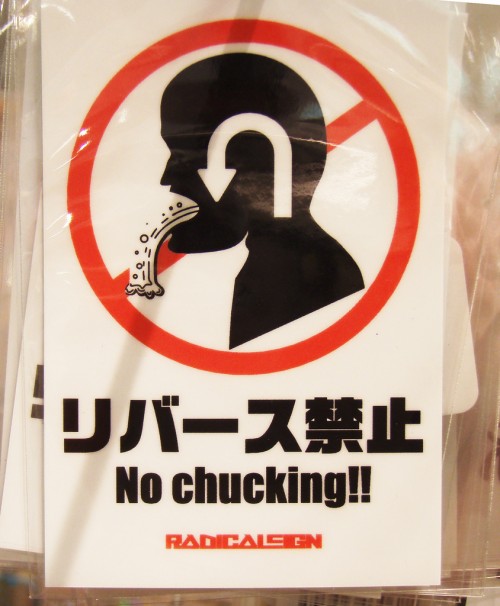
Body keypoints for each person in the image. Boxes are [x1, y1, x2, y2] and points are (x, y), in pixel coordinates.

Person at [155, 52, 364, 349]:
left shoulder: (298, 281)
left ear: (258, 161)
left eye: (183, 157)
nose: (166, 178)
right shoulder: (295, 270)